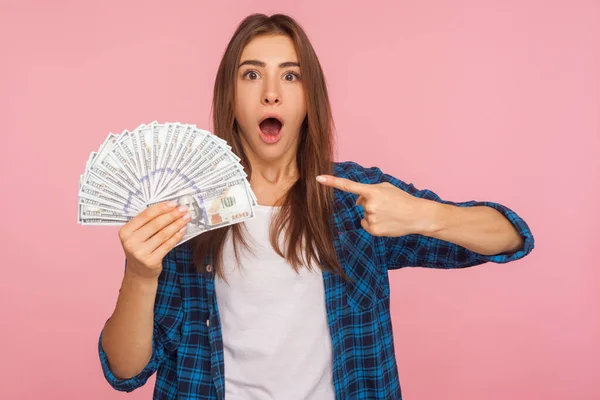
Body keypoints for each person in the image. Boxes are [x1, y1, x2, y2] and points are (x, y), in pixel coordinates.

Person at [98, 13, 535, 400]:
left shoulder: (357, 198)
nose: (272, 93)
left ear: (310, 97)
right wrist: (139, 274)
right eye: (251, 75)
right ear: (229, 96)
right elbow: (125, 371)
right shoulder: (186, 210)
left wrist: (425, 215)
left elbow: (510, 235)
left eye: (291, 76)